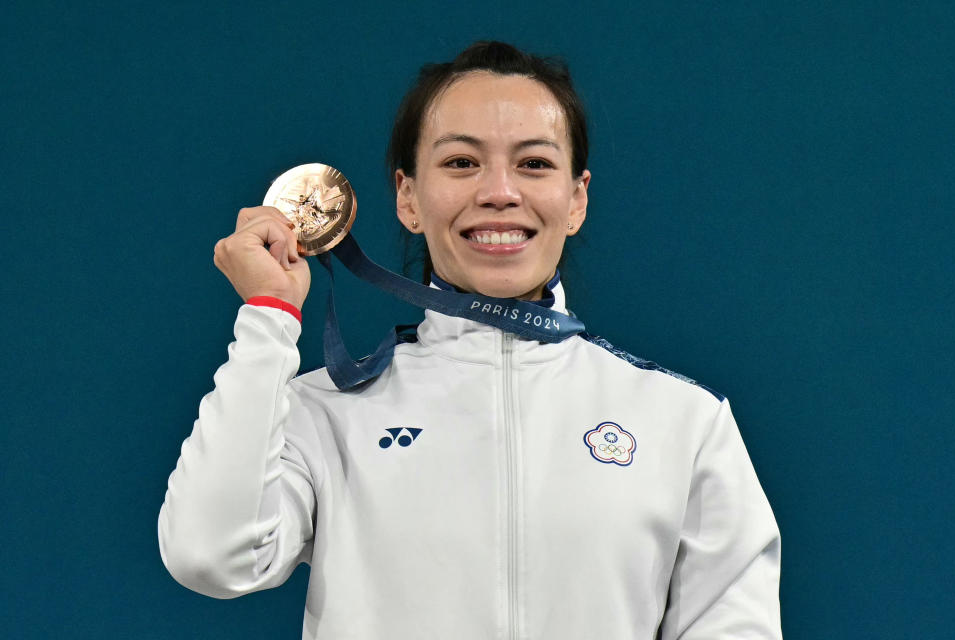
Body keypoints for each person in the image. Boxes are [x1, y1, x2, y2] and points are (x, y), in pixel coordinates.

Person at [158, 41, 782, 639]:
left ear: (576, 200)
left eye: (534, 163)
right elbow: (209, 556)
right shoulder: (325, 413)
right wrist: (269, 318)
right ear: (408, 198)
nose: (499, 192)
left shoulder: (684, 423)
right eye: (461, 162)